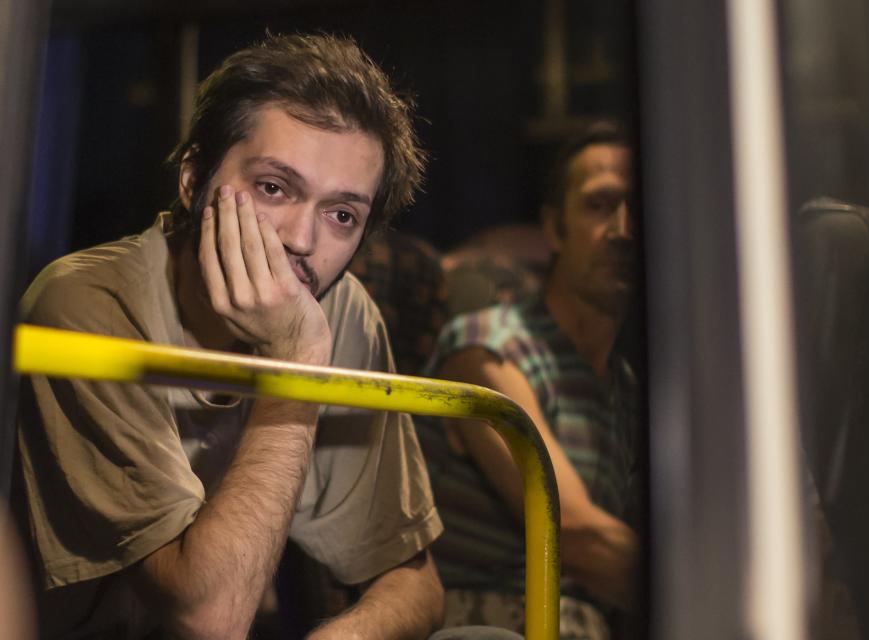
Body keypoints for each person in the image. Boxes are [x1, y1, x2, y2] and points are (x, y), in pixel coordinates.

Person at [13, 33, 445, 639]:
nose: (301, 238)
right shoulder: (86, 304)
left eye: (341, 215)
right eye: (274, 188)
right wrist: (296, 361)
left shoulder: (338, 310)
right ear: (193, 179)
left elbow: (414, 582)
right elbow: (206, 618)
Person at [415, 122, 641, 639]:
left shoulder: (625, 391)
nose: (625, 229)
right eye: (600, 205)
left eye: (637, 207)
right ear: (554, 230)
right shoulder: (488, 347)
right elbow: (577, 535)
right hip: (485, 622)